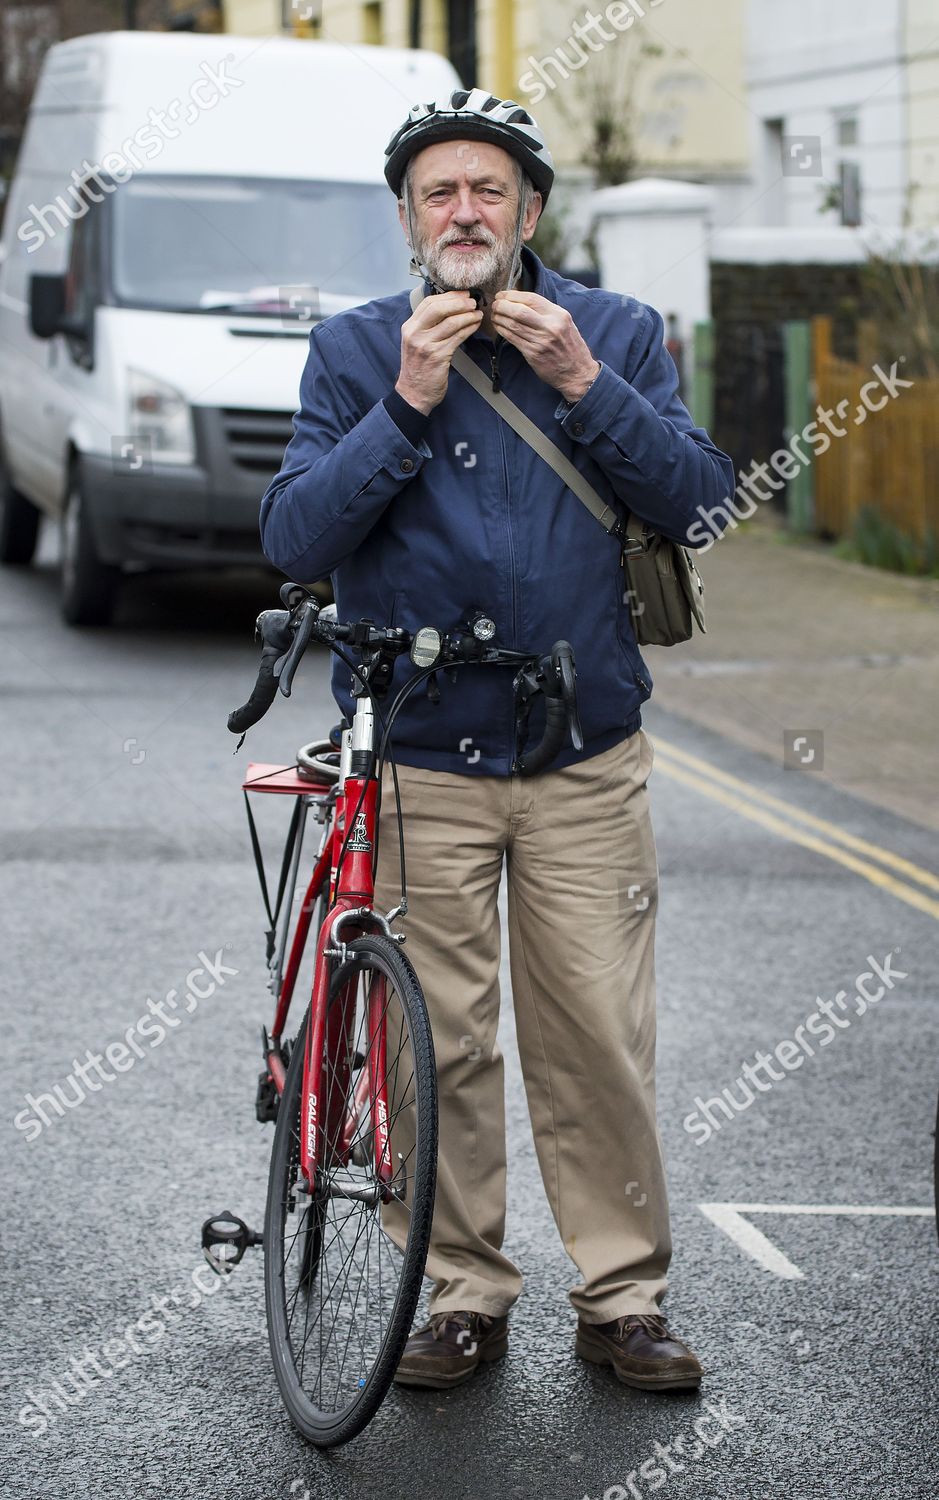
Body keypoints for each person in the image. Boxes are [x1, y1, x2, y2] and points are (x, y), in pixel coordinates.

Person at [259, 88, 735, 1394]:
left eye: (488, 191)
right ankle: (460, 1289)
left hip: (586, 751)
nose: (464, 212)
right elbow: (297, 536)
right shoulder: (358, 349)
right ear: (410, 220)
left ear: (531, 209)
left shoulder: (619, 332)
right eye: (437, 194)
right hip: (423, 758)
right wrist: (406, 404)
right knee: (438, 1040)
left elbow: (700, 497)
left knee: (596, 1031)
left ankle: (622, 1295)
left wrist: (582, 382)